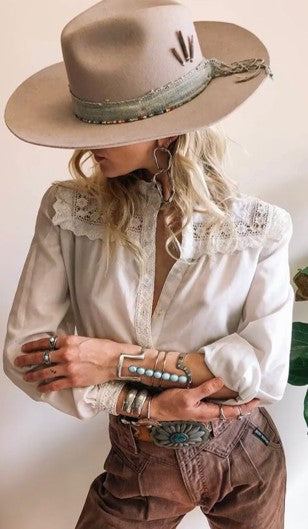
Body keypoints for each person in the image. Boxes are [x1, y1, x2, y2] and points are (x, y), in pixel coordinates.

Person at [3, 1, 294, 528]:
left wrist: (115, 360)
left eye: (108, 124)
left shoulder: (258, 229)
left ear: (166, 128)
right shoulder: (70, 213)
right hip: (138, 460)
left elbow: (262, 374)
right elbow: (26, 354)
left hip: (245, 451)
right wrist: (148, 404)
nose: (88, 143)